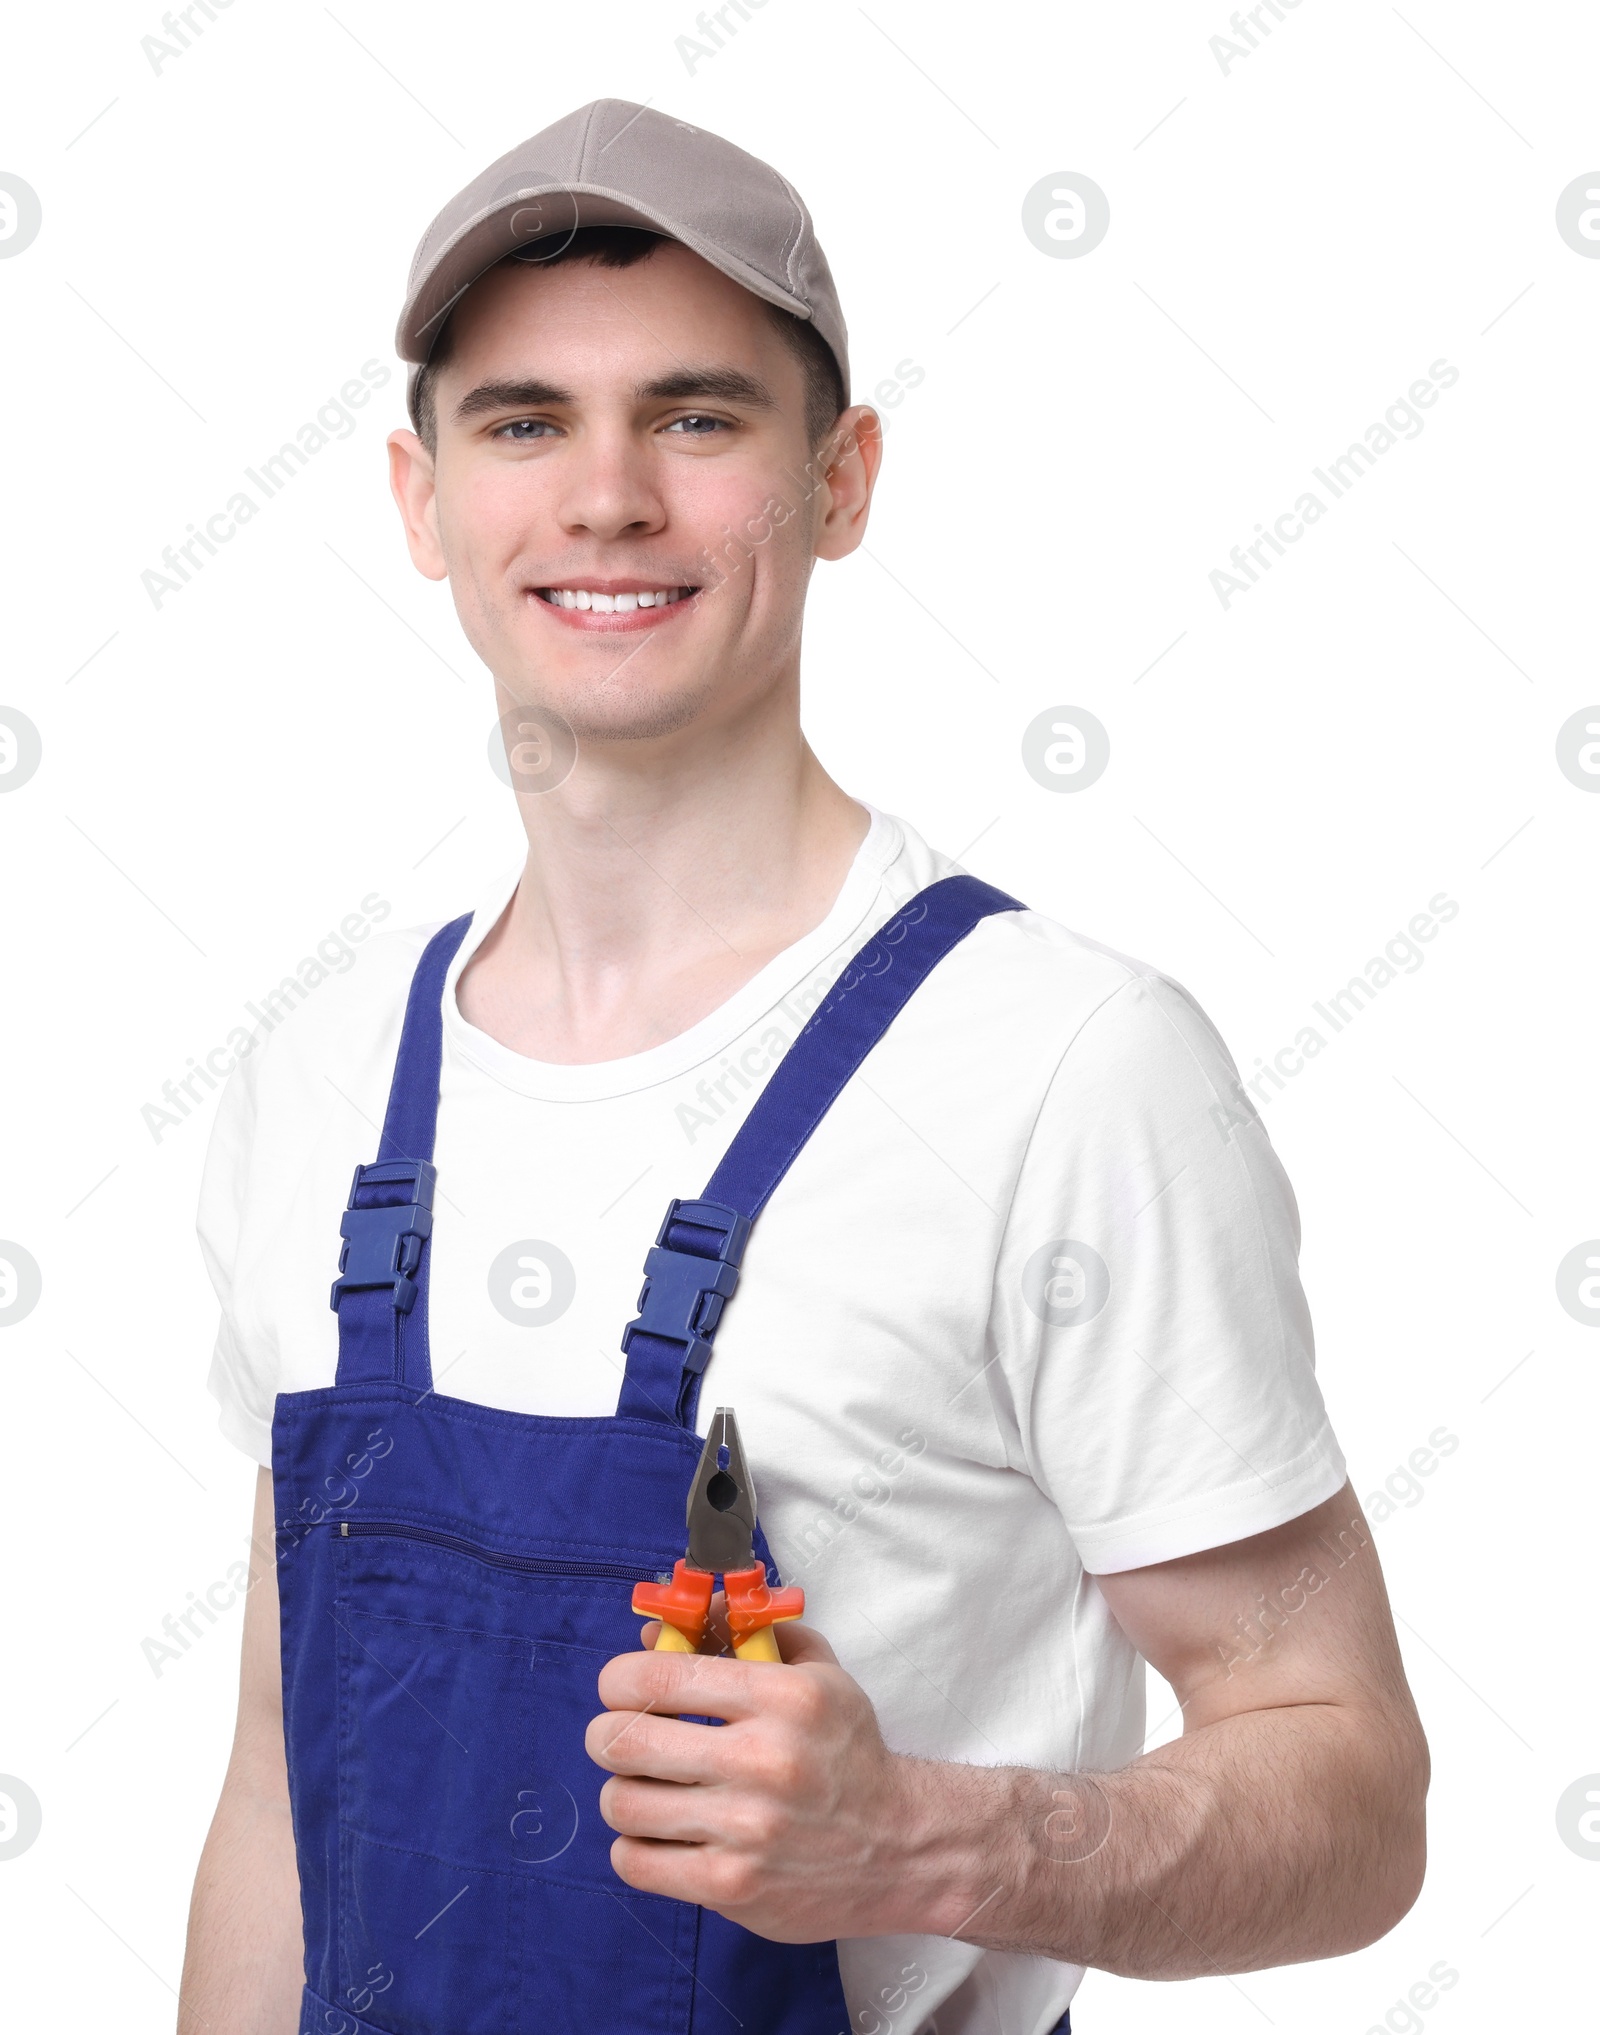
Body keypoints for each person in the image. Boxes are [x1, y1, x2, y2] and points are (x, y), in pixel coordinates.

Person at [177, 98, 1428, 2035]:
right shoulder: (315, 1084)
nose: (604, 498)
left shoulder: (1061, 1069)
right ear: (420, 502)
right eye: (522, 420)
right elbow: (278, 1794)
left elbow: (1349, 1783)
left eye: (694, 416)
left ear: (838, 477)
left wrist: (927, 1841)